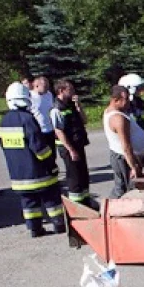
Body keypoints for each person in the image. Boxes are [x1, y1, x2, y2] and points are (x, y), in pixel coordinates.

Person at [0, 82, 64, 237]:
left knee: (29, 202)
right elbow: (39, 147)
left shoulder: (4, 121)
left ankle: (35, 229)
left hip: (18, 174)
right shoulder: (27, 119)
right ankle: (59, 224)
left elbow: (3, 146)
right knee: (51, 197)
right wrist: (51, 164)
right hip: (37, 172)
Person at [50, 79, 94, 208]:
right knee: (74, 176)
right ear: (61, 91)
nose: (74, 92)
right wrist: (71, 150)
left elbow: (84, 121)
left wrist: (78, 106)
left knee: (83, 174)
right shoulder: (56, 109)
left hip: (78, 143)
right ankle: (76, 205)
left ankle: (86, 201)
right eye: (70, 89)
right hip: (68, 147)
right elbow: (59, 132)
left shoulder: (71, 105)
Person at [104, 85, 144, 198]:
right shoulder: (117, 118)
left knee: (126, 187)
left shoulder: (117, 112)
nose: (129, 102)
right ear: (116, 100)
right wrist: (134, 167)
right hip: (123, 159)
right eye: (126, 99)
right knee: (124, 189)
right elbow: (126, 146)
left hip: (126, 157)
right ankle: (111, 210)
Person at [118, 74, 144, 173]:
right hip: (135, 147)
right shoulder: (126, 107)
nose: (141, 91)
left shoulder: (140, 103)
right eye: (139, 88)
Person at [30, 76, 55, 150]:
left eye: (48, 86)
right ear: (36, 86)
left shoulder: (49, 94)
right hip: (38, 131)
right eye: (45, 86)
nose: (47, 88)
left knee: (52, 156)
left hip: (50, 130)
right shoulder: (30, 96)